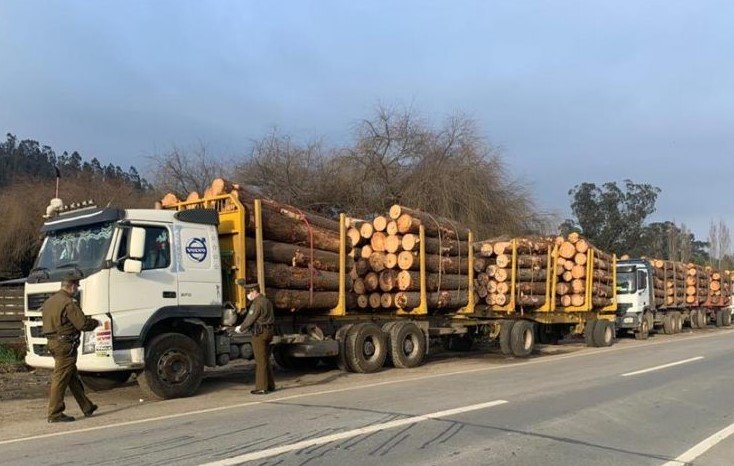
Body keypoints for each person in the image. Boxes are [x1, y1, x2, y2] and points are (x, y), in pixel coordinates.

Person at [42, 270, 100, 422]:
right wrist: (95, 322)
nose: (77, 290)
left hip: (53, 343)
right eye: (77, 286)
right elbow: (82, 324)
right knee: (61, 378)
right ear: (72, 287)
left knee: (71, 376)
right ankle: (54, 413)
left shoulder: (50, 301)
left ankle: (86, 406)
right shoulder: (68, 303)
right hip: (65, 345)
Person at [235, 284, 275, 394]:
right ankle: (270, 385)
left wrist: (241, 328)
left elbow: (250, 318)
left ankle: (261, 387)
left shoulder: (257, 303)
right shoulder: (267, 301)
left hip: (259, 334)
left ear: (254, 291)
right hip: (269, 332)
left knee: (260, 361)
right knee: (266, 359)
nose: (248, 295)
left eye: (248, 293)